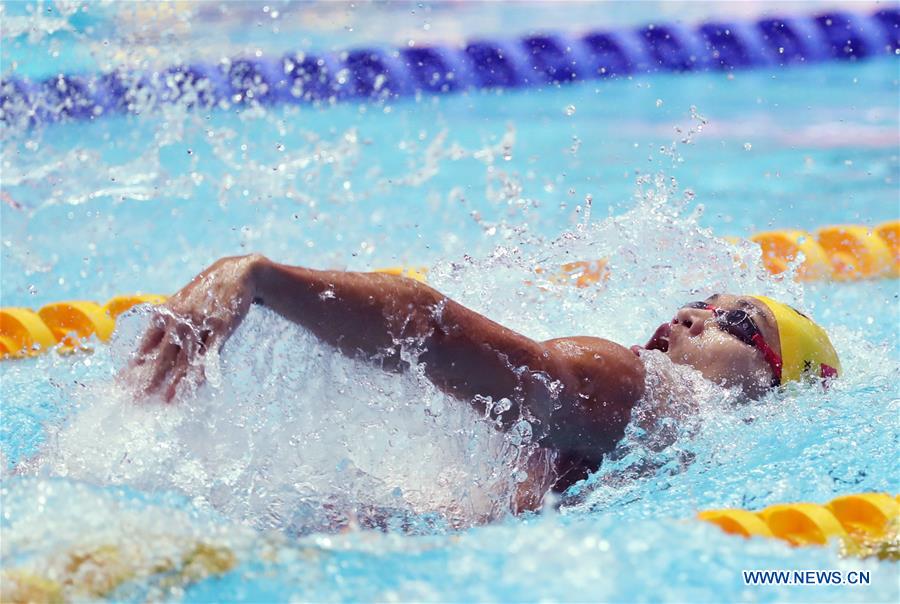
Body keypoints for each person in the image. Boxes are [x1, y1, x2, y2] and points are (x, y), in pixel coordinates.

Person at [126, 254, 841, 513]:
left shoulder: (650, 394)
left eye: (737, 322)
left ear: (775, 385)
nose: (693, 314)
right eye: (701, 302)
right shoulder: (643, 394)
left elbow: (435, 334)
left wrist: (262, 281)